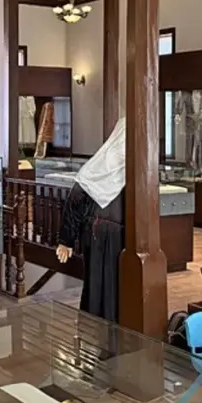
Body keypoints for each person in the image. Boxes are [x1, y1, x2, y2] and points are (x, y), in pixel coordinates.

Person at [55, 118, 126, 323]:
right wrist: (66, 239)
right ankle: (93, 327)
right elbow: (75, 200)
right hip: (96, 234)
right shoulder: (99, 165)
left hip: (121, 236)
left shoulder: (133, 168)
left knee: (117, 284)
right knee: (96, 282)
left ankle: (115, 328)